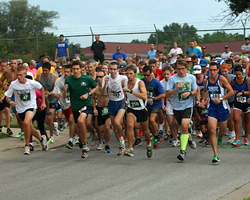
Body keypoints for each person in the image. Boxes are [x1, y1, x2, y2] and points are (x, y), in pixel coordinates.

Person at [4, 65, 47, 155]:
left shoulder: (31, 83)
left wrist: (43, 102)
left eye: (20, 75)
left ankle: (27, 145)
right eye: (17, 75)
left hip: (31, 106)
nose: (19, 77)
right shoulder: (14, 84)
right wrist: (11, 102)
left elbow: (41, 88)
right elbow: (7, 96)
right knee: (29, 128)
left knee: (27, 123)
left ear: (25, 74)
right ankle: (41, 139)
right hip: (20, 108)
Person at [64, 60, 98, 158]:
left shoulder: (86, 78)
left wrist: (88, 94)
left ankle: (85, 142)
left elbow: (96, 87)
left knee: (81, 121)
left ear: (81, 69)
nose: (75, 71)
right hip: (75, 105)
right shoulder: (69, 80)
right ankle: (84, 144)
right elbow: (66, 95)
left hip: (86, 104)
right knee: (78, 127)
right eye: (73, 69)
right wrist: (65, 90)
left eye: (77, 69)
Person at [166, 59, 197, 161]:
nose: (181, 71)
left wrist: (189, 93)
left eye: (183, 69)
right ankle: (189, 133)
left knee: (184, 126)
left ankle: (182, 151)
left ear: (186, 68)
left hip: (187, 105)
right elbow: (167, 94)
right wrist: (175, 89)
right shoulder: (172, 79)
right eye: (178, 69)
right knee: (181, 126)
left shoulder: (191, 77)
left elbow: (195, 91)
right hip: (176, 106)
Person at [202, 62, 234, 163]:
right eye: (210, 70)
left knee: (223, 131)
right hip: (212, 109)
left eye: (214, 70)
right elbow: (205, 91)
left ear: (217, 70)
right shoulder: (206, 80)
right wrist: (203, 101)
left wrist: (221, 98)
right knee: (212, 130)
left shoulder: (222, 79)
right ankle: (215, 155)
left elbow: (231, 92)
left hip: (223, 108)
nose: (212, 72)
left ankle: (220, 136)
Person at [123, 64, 153, 157]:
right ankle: (130, 148)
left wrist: (131, 91)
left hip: (141, 109)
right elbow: (124, 95)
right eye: (127, 73)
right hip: (131, 108)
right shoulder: (124, 82)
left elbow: (144, 96)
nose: (129, 75)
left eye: (131, 73)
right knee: (130, 125)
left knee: (145, 130)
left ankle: (148, 144)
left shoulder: (140, 83)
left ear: (135, 74)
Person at [102, 61, 127, 156]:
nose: (112, 71)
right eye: (111, 69)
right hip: (111, 103)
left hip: (121, 102)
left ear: (118, 70)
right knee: (115, 128)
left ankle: (122, 139)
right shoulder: (106, 78)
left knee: (117, 122)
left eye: (114, 69)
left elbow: (131, 84)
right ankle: (121, 144)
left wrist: (125, 86)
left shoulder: (123, 78)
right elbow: (104, 93)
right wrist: (105, 84)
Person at [52, 65, 76, 149]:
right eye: (64, 71)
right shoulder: (59, 80)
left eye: (68, 72)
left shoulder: (74, 80)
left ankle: (70, 139)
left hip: (73, 104)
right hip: (64, 104)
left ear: (71, 72)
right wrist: (59, 95)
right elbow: (54, 93)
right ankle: (76, 136)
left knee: (71, 120)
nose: (66, 73)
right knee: (72, 123)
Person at [142, 65, 165, 148]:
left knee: (152, 120)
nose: (146, 77)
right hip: (145, 104)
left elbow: (163, 94)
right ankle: (154, 134)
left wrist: (154, 98)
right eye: (144, 75)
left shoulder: (156, 82)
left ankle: (156, 137)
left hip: (156, 104)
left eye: (147, 75)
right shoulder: (141, 81)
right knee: (147, 123)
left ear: (151, 73)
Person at [36, 62, 58, 145]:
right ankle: (52, 127)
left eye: (46, 71)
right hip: (42, 99)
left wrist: (50, 92)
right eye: (43, 70)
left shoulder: (54, 77)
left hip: (52, 99)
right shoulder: (39, 76)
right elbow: (36, 86)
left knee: (50, 116)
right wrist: (41, 92)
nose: (44, 72)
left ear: (49, 70)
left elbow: (56, 88)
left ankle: (51, 136)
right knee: (45, 119)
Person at [92, 70, 111, 153]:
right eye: (97, 77)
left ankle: (107, 144)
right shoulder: (95, 87)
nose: (99, 79)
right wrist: (94, 108)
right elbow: (93, 98)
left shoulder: (108, 86)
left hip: (107, 108)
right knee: (100, 129)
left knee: (107, 127)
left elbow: (105, 93)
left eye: (101, 77)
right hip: (99, 108)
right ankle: (101, 141)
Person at [230, 65, 250, 146]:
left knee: (246, 121)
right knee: (236, 119)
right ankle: (237, 138)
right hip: (237, 102)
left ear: (242, 73)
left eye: (239, 74)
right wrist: (233, 91)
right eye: (236, 74)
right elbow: (230, 90)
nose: (238, 76)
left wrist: (242, 93)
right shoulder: (233, 81)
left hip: (247, 102)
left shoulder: (247, 80)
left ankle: (246, 137)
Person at [160, 66, 179, 146]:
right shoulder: (161, 82)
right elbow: (162, 94)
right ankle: (176, 139)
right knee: (170, 122)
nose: (166, 76)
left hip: (178, 103)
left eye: (168, 74)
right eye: (164, 74)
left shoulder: (176, 80)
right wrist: (162, 104)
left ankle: (178, 133)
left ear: (171, 73)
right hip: (169, 104)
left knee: (177, 122)